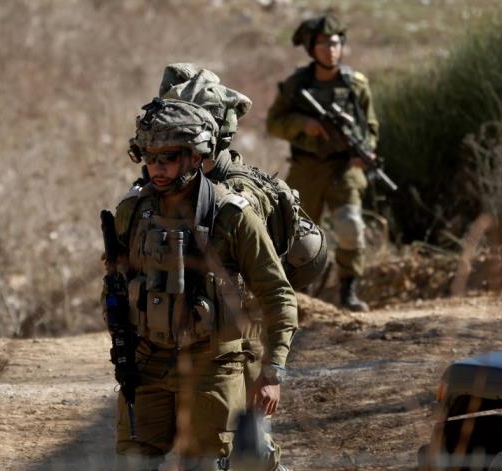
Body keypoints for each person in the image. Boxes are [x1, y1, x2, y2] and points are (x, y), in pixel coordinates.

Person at [108, 98, 298, 470]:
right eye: (150, 157)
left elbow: (277, 294)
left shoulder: (232, 216)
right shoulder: (133, 212)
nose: (157, 168)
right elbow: (116, 283)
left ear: (197, 157)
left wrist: (273, 371)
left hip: (212, 363)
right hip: (147, 362)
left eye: (169, 158)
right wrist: (120, 340)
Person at [266, 13, 379, 311]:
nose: (330, 50)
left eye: (335, 43)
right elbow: (274, 123)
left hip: (343, 170)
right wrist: (303, 124)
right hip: (307, 169)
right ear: (311, 49)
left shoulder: (355, 85)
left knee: (351, 227)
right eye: (323, 44)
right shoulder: (296, 85)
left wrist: (365, 151)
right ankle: (299, 296)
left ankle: (348, 291)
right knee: (298, 235)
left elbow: (370, 127)